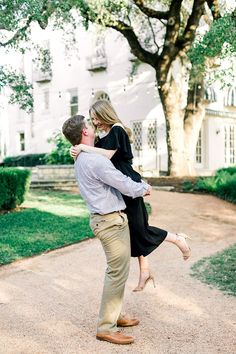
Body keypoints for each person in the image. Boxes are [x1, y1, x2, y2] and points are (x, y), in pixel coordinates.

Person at [70, 100, 191, 292]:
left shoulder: (117, 129)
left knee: (140, 230)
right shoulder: (105, 135)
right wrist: (77, 149)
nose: (95, 122)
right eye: (92, 119)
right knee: (135, 231)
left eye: (96, 117)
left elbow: (107, 155)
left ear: (105, 113)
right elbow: (95, 156)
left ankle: (178, 239)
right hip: (119, 188)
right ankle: (145, 271)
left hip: (128, 184)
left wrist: (83, 148)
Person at [62, 114, 152, 345]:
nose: (93, 126)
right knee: (117, 272)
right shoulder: (95, 160)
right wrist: (144, 188)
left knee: (118, 271)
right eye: (89, 125)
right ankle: (106, 327)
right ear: (84, 133)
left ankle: (116, 315)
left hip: (104, 220)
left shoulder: (82, 157)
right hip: (110, 221)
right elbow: (122, 183)